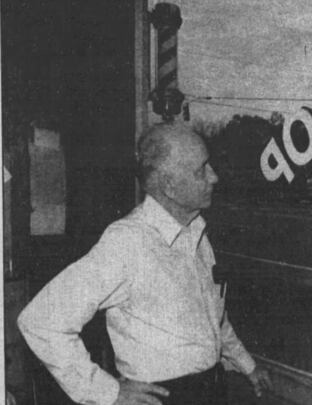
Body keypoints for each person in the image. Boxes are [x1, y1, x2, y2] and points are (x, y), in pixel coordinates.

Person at [18, 121, 272, 405]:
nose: (213, 177)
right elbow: (40, 321)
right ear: (169, 186)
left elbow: (212, 316)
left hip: (211, 390)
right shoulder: (128, 242)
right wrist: (108, 391)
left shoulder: (195, 233)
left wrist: (246, 364)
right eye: (201, 170)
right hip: (164, 397)